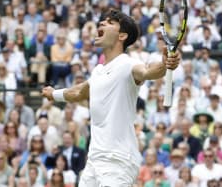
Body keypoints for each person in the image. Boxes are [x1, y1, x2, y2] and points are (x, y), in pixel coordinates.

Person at [42, 9, 180, 186]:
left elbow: (148, 71)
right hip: (93, 161)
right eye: (103, 21)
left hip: (118, 161)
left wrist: (164, 64)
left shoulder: (128, 64)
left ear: (122, 36)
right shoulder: (98, 71)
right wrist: (54, 94)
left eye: (109, 23)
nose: (101, 23)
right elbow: (79, 92)